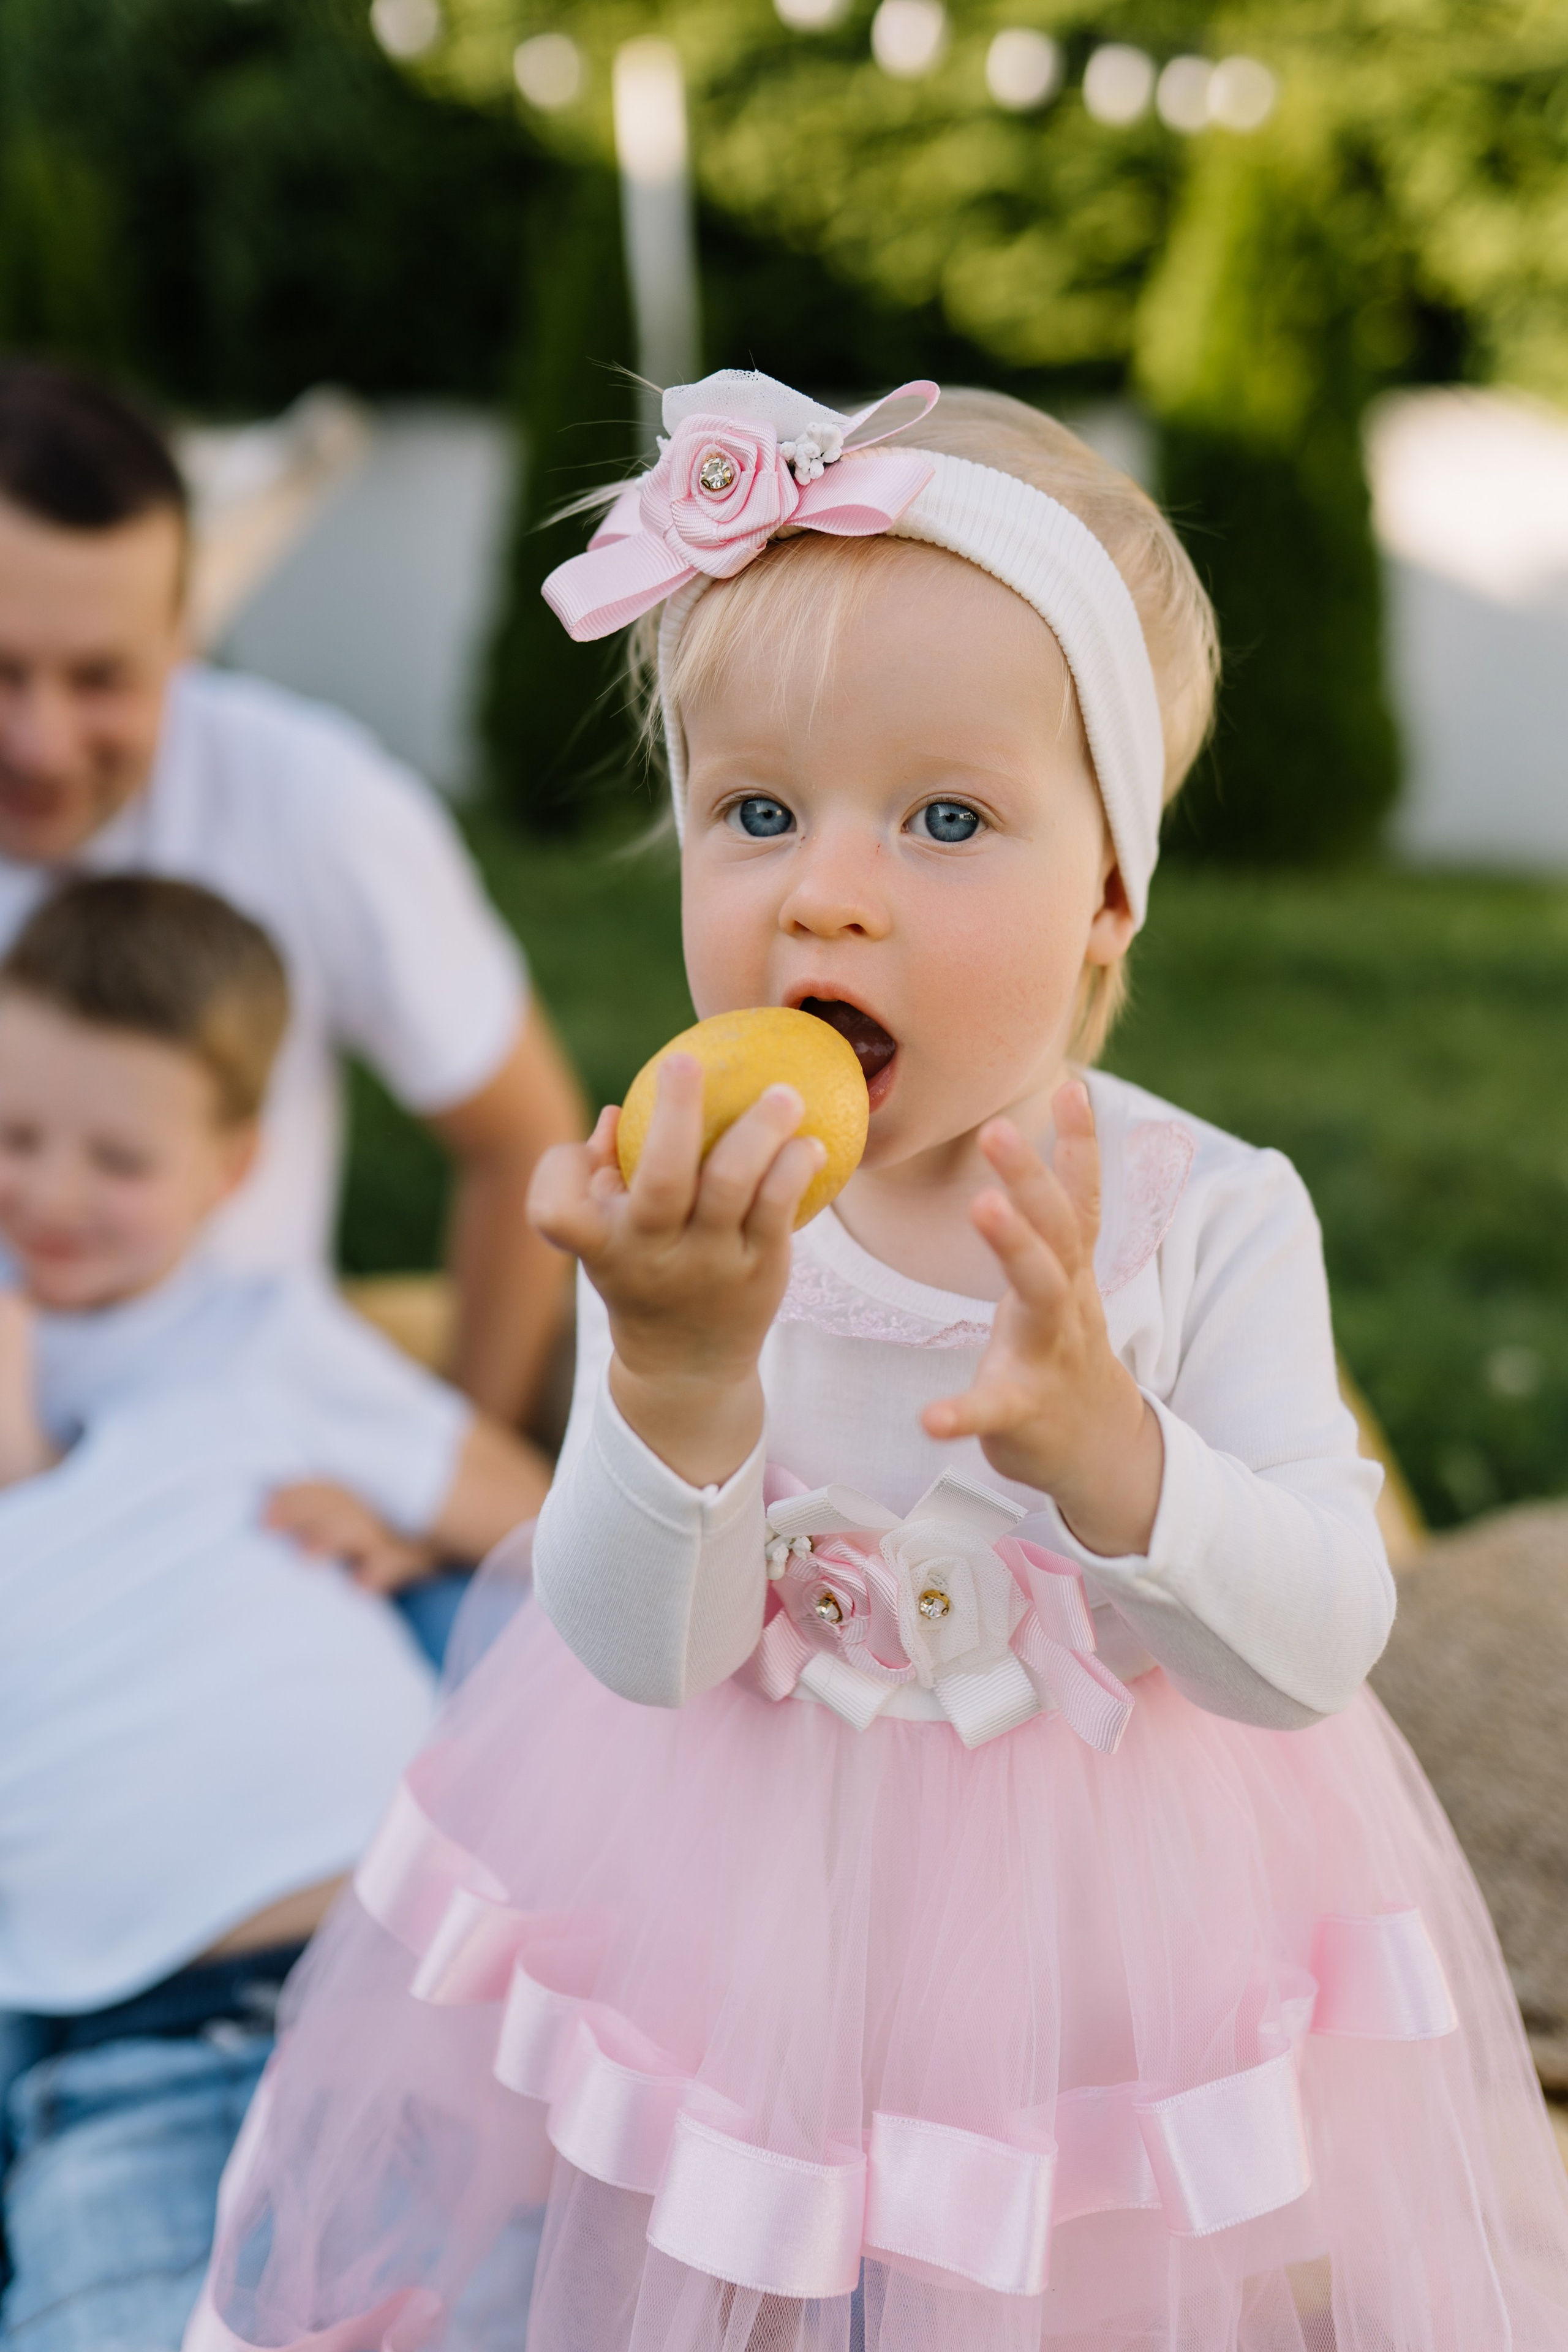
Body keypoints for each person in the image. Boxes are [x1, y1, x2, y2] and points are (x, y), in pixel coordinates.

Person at [189, 375, 1568, 2352]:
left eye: (945, 817)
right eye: (755, 812)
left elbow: (1321, 1645)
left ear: (1110, 894)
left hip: (1100, 1942)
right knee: (717, 2249)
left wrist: (1114, 1452)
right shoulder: (677, 1208)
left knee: (1065, 2277)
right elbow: (635, 1652)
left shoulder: (1205, 1214)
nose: (824, 887)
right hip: (748, 1907)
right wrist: (674, 1382)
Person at [0, 876, 550, 2351]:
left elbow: (574, 1540)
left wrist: (406, 1527)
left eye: (115, 1156)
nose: (49, 1195)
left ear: (232, 1167)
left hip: (411, 1998)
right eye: (13, 1137)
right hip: (129, 2059)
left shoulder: (261, 1343)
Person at [0, 360, 583, 1430]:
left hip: (245, 1464)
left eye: (101, 679)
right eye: (0, 671)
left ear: (183, 638)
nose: (39, 741)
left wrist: (449, 1472)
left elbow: (524, 1143)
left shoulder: (320, 807)